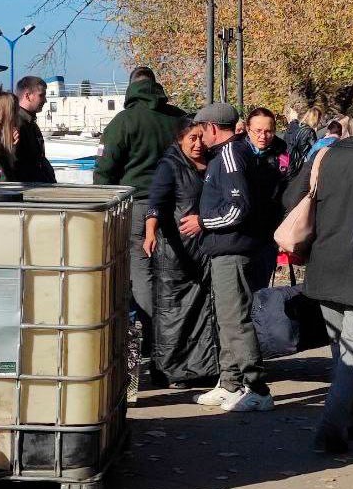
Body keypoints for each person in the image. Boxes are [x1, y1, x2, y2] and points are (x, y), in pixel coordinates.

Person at [284, 105, 353, 454]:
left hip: (324, 265)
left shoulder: (324, 157)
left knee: (343, 351)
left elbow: (291, 197)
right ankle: (329, 430)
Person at [94, 67, 186, 363]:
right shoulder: (178, 118)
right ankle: (179, 336)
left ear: (132, 87)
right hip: (178, 205)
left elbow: (105, 170)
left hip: (138, 204)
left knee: (142, 273)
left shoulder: (124, 122)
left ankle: (152, 338)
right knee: (176, 270)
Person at [187, 102, 274, 412]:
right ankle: (230, 383)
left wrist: (203, 222)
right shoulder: (232, 154)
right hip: (228, 249)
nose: (200, 139)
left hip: (232, 249)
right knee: (226, 320)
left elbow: (238, 208)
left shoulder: (229, 155)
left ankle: (257, 388)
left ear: (212, 128)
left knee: (235, 321)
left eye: (202, 132)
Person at [143, 120, 219, 388]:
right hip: (175, 255)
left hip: (203, 250)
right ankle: (172, 371)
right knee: (174, 315)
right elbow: (157, 203)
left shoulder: (212, 162)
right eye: (192, 139)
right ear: (180, 140)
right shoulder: (170, 166)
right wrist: (150, 231)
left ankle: (203, 368)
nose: (198, 144)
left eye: (201, 138)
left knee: (203, 313)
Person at [244, 107, 290, 291]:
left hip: (268, 233)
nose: (263, 136)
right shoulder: (237, 153)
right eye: (258, 131)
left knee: (260, 289)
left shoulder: (283, 156)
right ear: (248, 129)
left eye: (268, 131)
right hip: (241, 234)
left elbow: (288, 193)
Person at [14, 76, 56, 183]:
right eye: (41, 95)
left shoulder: (31, 124)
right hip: (29, 189)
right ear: (27, 96)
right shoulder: (17, 124)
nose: (45, 100)